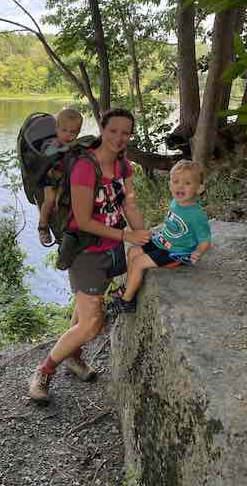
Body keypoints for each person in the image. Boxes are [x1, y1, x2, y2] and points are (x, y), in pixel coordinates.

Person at [29, 109, 151, 401]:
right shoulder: (86, 167)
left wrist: (144, 237)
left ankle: (74, 356)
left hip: (111, 250)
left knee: (86, 309)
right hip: (86, 250)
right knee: (92, 322)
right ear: (102, 129)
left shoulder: (123, 167)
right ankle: (43, 371)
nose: (119, 138)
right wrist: (127, 235)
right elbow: (83, 220)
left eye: (126, 133)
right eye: (113, 131)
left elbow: (129, 206)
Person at [108, 159, 212, 316]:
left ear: (199, 188)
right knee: (133, 252)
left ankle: (127, 301)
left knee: (138, 262)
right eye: (175, 182)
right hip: (162, 242)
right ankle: (129, 285)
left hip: (176, 252)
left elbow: (205, 239)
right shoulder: (176, 202)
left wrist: (198, 252)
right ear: (170, 185)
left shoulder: (196, 215)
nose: (180, 186)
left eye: (187, 183)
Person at [38, 108, 83, 246]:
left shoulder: (74, 145)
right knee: (50, 201)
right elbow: (49, 153)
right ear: (56, 128)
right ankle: (43, 226)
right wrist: (63, 149)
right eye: (64, 130)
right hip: (52, 178)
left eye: (73, 132)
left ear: (78, 132)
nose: (68, 135)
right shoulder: (54, 144)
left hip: (67, 178)